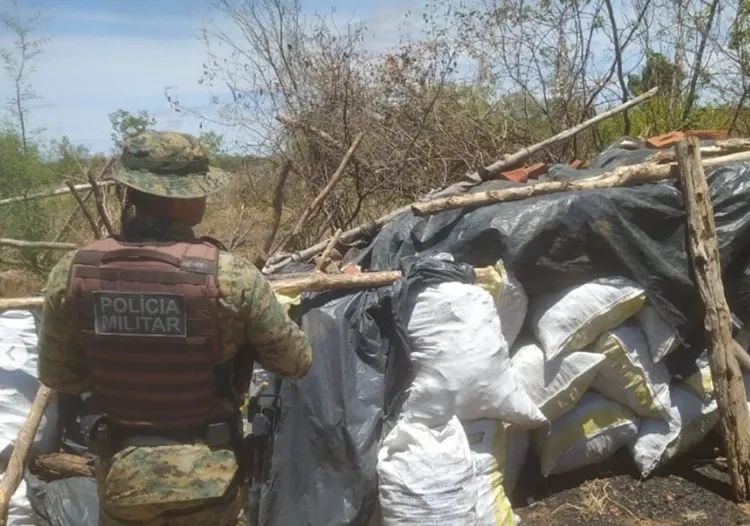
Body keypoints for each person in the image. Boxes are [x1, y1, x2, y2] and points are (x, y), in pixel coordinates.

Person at [37, 131, 313, 525]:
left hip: (122, 478)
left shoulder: (73, 273)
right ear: (183, 199)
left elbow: (58, 376)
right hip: (211, 483)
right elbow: (295, 362)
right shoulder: (230, 276)